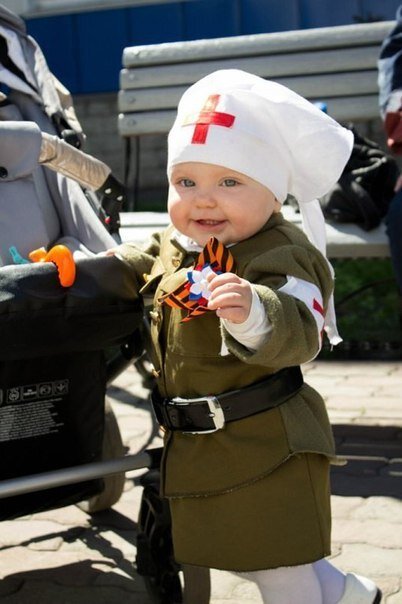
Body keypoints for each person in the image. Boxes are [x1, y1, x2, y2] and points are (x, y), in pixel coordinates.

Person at [110, 70, 381, 603]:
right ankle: (352, 595)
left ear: (273, 195)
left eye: (230, 182)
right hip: (204, 447)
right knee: (263, 555)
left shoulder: (283, 251)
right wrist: (87, 269)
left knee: (278, 565)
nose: (204, 202)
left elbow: (302, 326)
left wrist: (255, 312)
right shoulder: (181, 241)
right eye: (186, 183)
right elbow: (139, 263)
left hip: (267, 441)